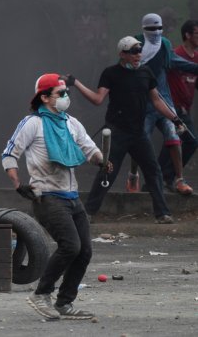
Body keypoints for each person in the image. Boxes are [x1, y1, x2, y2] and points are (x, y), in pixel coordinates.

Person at [2, 73, 107, 320]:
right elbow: (9, 154)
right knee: (70, 246)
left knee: (84, 252)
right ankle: (41, 294)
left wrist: (102, 161)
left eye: (65, 92)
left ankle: (64, 303)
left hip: (72, 197)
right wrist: (18, 184)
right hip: (47, 197)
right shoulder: (32, 123)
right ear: (45, 97)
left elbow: (89, 149)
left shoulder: (71, 122)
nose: (66, 97)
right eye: (61, 93)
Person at [70, 36, 183, 224]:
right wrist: (76, 83)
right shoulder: (111, 73)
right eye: (133, 52)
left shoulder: (146, 73)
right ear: (122, 54)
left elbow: (156, 100)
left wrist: (175, 119)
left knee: (153, 170)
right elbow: (98, 99)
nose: (138, 55)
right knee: (107, 171)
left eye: (139, 51)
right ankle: (88, 212)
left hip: (138, 133)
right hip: (117, 132)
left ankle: (162, 213)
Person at [127, 13, 198, 194]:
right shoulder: (135, 43)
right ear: (143, 28)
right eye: (151, 29)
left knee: (174, 139)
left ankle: (178, 180)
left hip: (164, 102)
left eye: (159, 28)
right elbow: (126, 68)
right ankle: (133, 175)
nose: (155, 32)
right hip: (144, 104)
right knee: (140, 140)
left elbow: (178, 62)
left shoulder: (165, 45)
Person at [161, 19, 198, 188]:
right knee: (190, 141)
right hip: (173, 107)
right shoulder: (175, 54)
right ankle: (169, 177)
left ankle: (158, 179)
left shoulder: (197, 58)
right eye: (197, 33)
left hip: (185, 107)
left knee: (172, 142)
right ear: (187, 35)